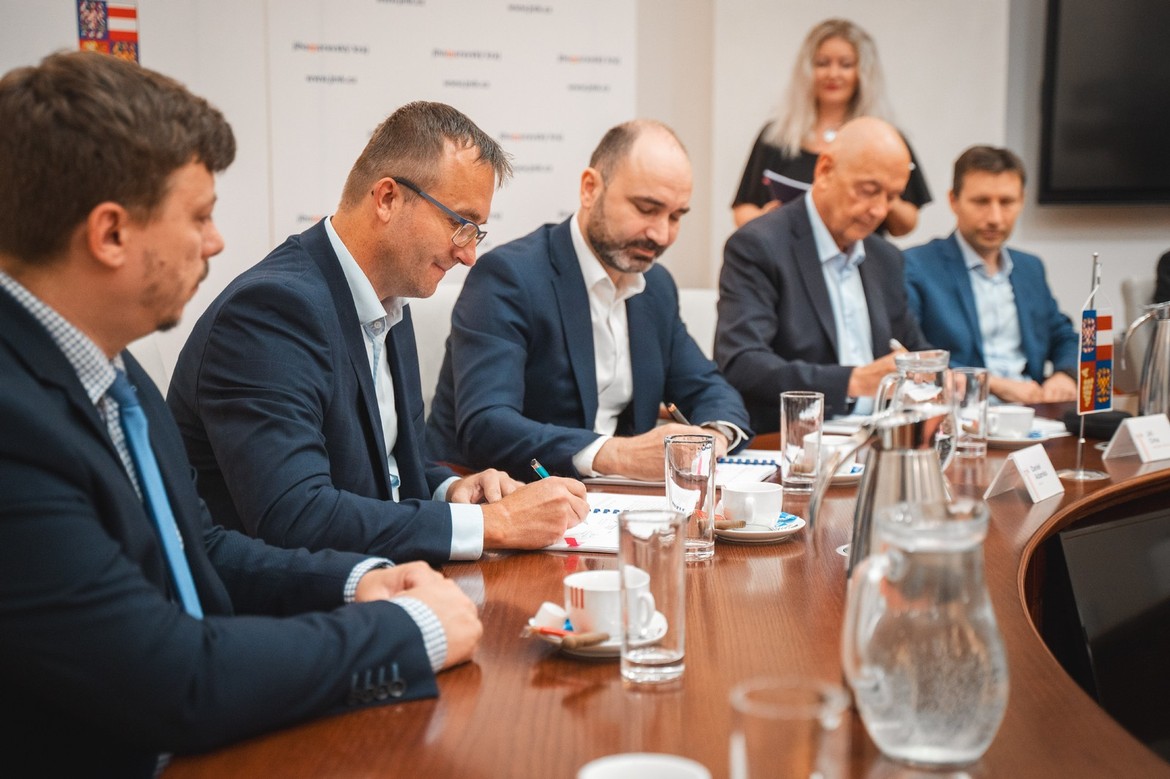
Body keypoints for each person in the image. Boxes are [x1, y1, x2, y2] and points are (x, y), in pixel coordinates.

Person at [0, 51, 481, 775]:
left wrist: (358, 582)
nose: (216, 242)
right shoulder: (13, 422)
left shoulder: (112, 369)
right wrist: (406, 632)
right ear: (111, 234)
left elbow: (202, 548)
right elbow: (170, 678)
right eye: (199, 216)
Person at [168, 102, 588, 567]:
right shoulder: (271, 311)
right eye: (460, 224)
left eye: (476, 233)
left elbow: (386, 469)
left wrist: (452, 489)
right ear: (387, 198)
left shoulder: (390, 298)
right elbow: (297, 516)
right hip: (292, 596)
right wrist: (495, 523)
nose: (469, 255)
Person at [426, 120, 752, 483]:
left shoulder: (656, 288)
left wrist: (713, 436)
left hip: (614, 499)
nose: (661, 234)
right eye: (646, 209)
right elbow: (486, 426)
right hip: (500, 493)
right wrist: (618, 455)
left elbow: (710, 388)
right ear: (590, 189)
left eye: (675, 216)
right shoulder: (509, 276)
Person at [715, 116, 931, 433]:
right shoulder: (760, 245)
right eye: (868, 191)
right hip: (794, 439)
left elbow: (913, 348)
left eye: (891, 196)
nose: (879, 210)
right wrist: (853, 381)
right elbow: (742, 362)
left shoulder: (885, 258)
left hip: (882, 438)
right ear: (825, 170)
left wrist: (936, 375)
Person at [904, 146, 1078, 403]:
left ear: (1022, 201)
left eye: (1007, 202)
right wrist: (993, 384)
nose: (995, 218)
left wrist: (1066, 374)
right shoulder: (917, 266)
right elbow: (913, 353)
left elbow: (1064, 336)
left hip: (1034, 409)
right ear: (953, 201)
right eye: (981, 202)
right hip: (962, 410)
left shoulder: (1030, 268)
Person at [731, 18, 931, 235]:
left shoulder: (885, 139)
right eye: (822, 63)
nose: (833, 74)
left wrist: (881, 194)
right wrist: (768, 219)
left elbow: (906, 224)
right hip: (786, 251)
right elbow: (743, 209)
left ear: (863, 73)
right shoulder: (776, 135)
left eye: (846, 65)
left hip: (860, 252)